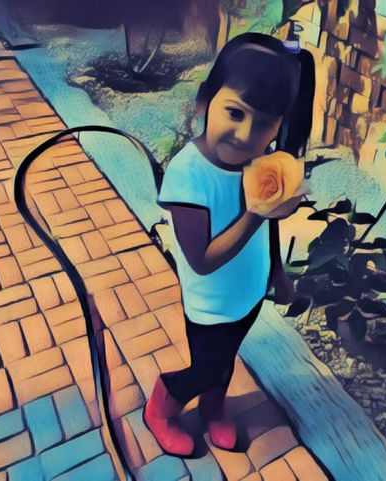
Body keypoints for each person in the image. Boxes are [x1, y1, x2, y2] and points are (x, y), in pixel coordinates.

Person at [142, 32, 315, 457]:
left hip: (249, 290)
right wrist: (256, 211)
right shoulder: (188, 175)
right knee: (206, 365)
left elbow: (270, 226)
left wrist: (277, 271)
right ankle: (161, 407)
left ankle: (213, 407)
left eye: (265, 124)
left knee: (226, 358)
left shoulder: (261, 161)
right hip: (211, 302)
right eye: (235, 113)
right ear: (204, 101)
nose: (245, 134)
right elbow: (201, 260)